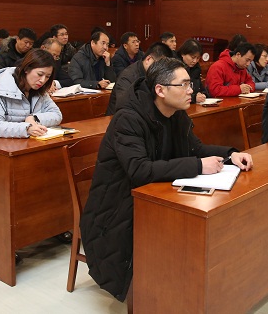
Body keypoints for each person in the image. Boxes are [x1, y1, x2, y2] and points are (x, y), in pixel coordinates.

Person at [80, 58, 253, 302]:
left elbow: (195, 148)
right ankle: (161, 290)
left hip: (155, 193)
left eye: (190, 83)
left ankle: (188, 283)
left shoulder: (176, 113)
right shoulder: (128, 118)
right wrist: (197, 166)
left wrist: (230, 154)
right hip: (117, 205)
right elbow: (139, 170)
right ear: (160, 90)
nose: (191, 90)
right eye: (184, 85)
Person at [0, 50, 62, 138]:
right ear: (26, 69)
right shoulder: (0, 88)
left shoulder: (39, 90)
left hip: (27, 142)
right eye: (40, 74)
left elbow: (57, 115)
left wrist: (33, 118)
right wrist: (27, 129)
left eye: (47, 77)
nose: (43, 80)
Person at [105, 41, 172, 116]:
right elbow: (125, 106)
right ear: (148, 59)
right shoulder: (127, 76)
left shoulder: (153, 74)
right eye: (159, 65)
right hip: (118, 118)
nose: (161, 70)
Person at [178, 38, 208, 103]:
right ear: (183, 54)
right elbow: (175, 94)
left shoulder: (196, 68)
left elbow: (201, 88)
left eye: (198, 58)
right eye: (193, 57)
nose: (195, 61)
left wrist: (203, 94)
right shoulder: (175, 68)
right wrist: (194, 98)